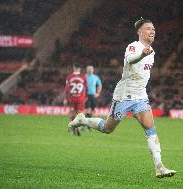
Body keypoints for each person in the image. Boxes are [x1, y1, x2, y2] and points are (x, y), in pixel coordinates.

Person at [68, 18, 176, 178]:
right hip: (124, 96)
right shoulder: (134, 47)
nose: (152, 31)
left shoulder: (152, 52)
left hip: (141, 96)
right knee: (107, 128)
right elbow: (131, 60)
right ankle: (83, 119)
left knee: (150, 129)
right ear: (140, 32)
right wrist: (141, 55)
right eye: (148, 28)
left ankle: (159, 166)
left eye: (153, 28)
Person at [64, 63, 88, 136]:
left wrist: (65, 98)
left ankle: (73, 128)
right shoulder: (83, 77)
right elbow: (86, 88)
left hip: (72, 98)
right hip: (81, 98)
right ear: (80, 69)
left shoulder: (69, 77)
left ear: (73, 68)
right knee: (80, 114)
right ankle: (78, 128)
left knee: (72, 113)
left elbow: (66, 89)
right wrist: (86, 96)